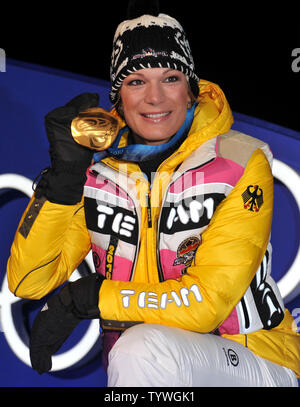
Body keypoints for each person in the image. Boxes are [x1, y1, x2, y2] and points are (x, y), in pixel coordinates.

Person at [6, 3, 300, 387]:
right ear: (118, 97)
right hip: (151, 369)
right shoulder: (98, 174)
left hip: (253, 360)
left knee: (140, 348)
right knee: (139, 351)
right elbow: (28, 280)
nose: (155, 98)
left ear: (191, 88)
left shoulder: (241, 159)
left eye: (171, 78)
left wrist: (88, 298)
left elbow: (206, 306)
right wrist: (62, 182)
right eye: (136, 81)